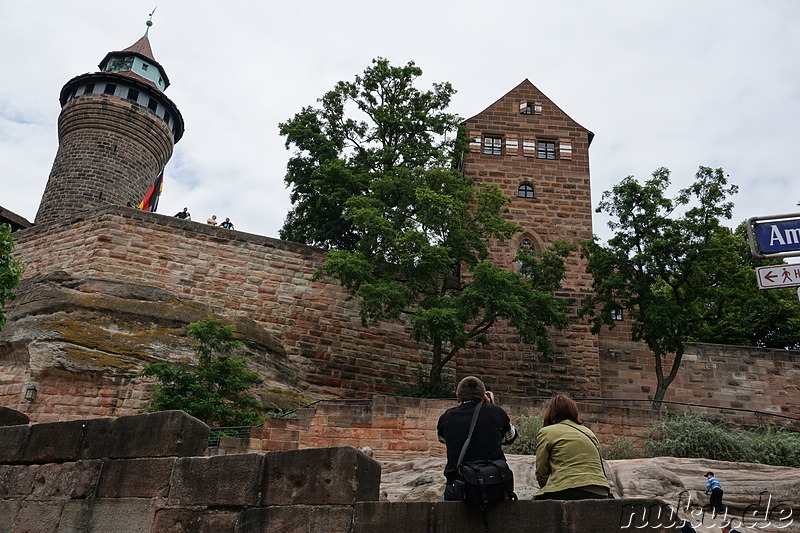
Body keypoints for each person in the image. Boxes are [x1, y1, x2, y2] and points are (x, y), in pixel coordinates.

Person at [436, 376, 517, 501]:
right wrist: (491, 406)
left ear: (458, 396)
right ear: (483, 395)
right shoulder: (496, 412)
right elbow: (510, 438)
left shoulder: (446, 417)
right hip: (492, 481)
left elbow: (442, 439)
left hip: (458, 483)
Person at [534, 394, 611, 500]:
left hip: (570, 487)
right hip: (601, 490)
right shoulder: (589, 432)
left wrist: (548, 486)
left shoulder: (547, 432)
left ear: (551, 413)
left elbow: (541, 471)